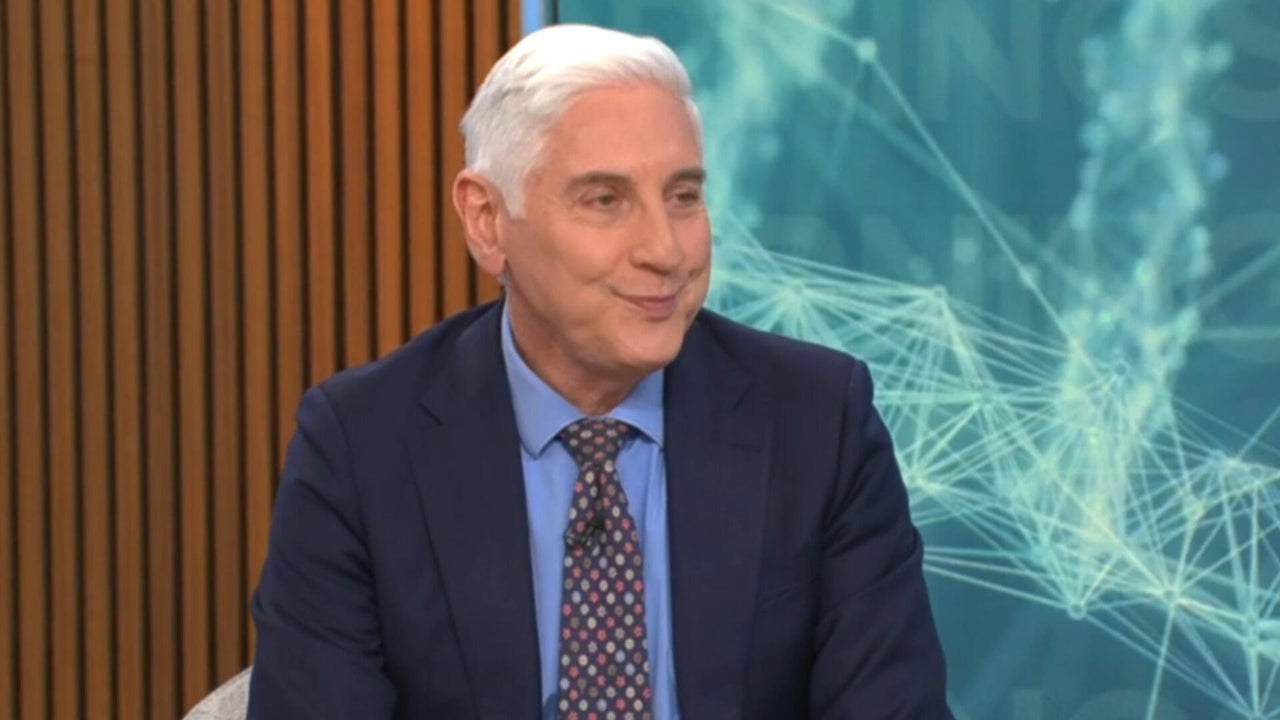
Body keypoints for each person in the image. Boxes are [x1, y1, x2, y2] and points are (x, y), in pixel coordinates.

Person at [247, 23, 952, 720]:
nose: (664, 250)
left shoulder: (819, 424)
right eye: (605, 200)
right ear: (487, 220)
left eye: (683, 196)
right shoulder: (361, 447)